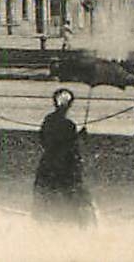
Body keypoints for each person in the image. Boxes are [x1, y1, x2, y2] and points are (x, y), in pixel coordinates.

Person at [33, 88, 96, 225]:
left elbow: (43, 140)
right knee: (76, 199)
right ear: (69, 105)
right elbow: (70, 147)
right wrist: (80, 138)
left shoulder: (48, 120)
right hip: (65, 167)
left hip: (47, 164)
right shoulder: (69, 125)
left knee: (45, 199)